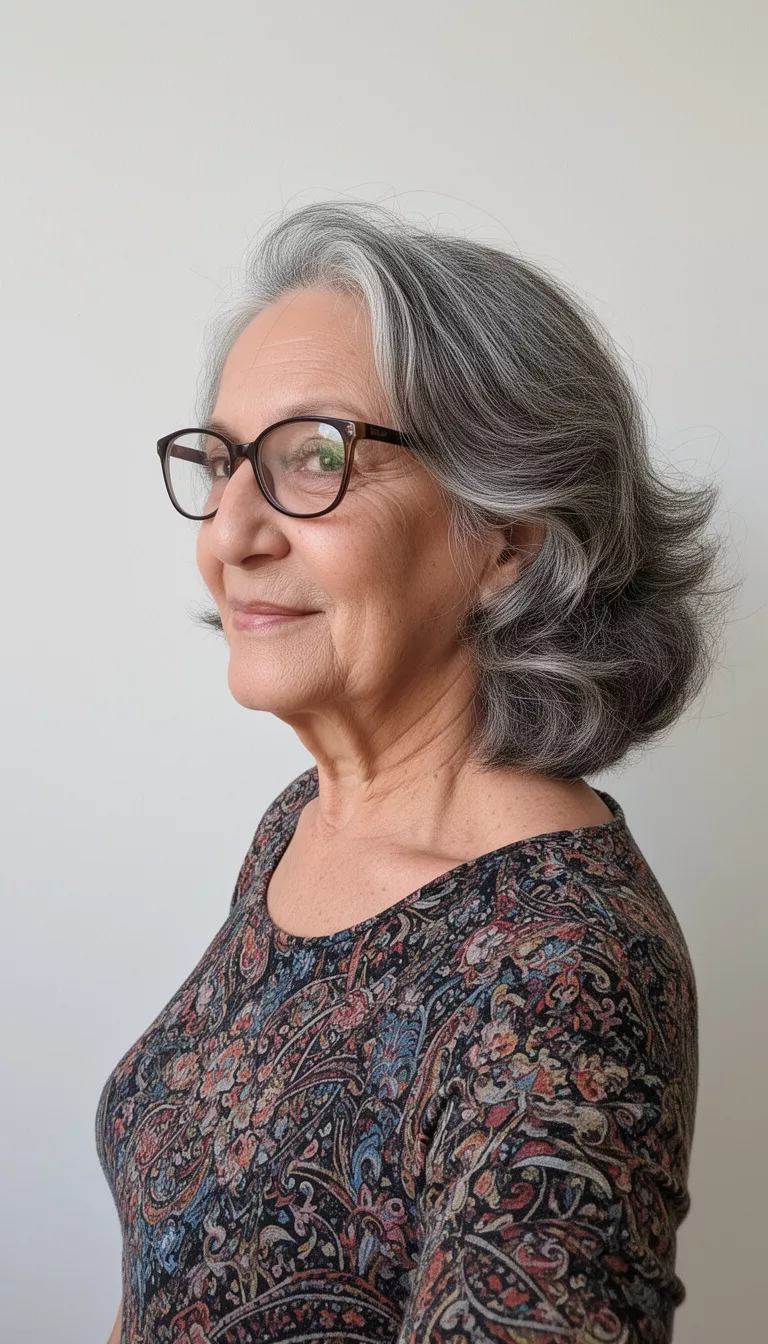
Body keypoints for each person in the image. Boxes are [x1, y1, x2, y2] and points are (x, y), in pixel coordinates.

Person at [96, 200, 732, 1344]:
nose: (230, 533)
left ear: (507, 538)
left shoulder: (561, 977)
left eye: (315, 458)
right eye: (225, 462)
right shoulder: (309, 820)